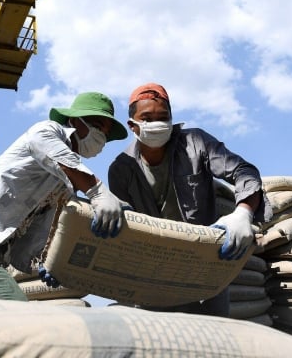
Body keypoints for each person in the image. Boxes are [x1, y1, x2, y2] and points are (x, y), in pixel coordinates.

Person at [0, 91, 129, 300]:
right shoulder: (47, 131)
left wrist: (52, 262)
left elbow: (50, 228)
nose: (100, 137)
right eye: (97, 126)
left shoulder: (64, 186)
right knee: (20, 316)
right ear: (73, 120)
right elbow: (58, 157)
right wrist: (97, 191)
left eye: (105, 135)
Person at [108, 82, 272, 316]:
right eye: (147, 118)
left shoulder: (195, 143)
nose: (156, 123)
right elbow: (123, 225)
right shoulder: (122, 169)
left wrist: (243, 213)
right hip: (155, 274)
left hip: (204, 267)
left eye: (162, 117)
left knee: (214, 342)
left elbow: (244, 171)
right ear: (132, 125)